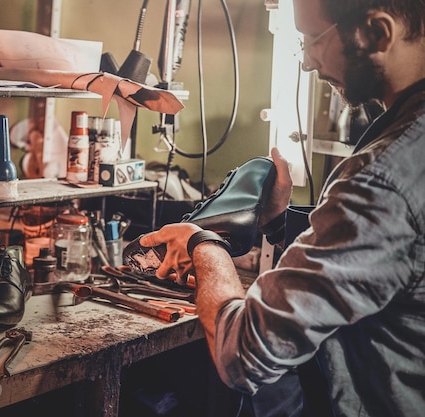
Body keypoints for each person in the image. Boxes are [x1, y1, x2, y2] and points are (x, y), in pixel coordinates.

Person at [139, 0, 425, 416]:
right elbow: (392, 258)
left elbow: (241, 355)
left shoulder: (382, 177)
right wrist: (277, 224)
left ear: (378, 33)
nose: (307, 62)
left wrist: (204, 245)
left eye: (313, 40)